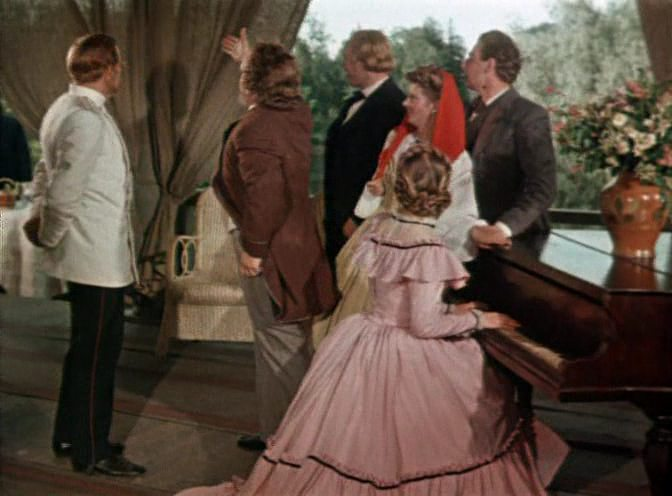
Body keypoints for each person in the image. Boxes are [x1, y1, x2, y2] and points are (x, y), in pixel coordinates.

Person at [176, 143, 568, 496]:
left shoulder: (382, 229)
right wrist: (482, 321)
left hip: (362, 337)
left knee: (353, 437)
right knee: (474, 392)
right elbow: (424, 326)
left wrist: (455, 311)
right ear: (444, 194)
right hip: (405, 346)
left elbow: (404, 304)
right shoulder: (427, 247)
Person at [22, 34, 145, 476]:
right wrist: (48, 232)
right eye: (119, 66)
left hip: (93, 255)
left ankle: (70, 433)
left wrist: (39, 219)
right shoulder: (85, 119)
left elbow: (44, 170)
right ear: (109, 68)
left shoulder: (65, 107)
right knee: (98, 357)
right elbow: (64, 188)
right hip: (95, 259)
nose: (120, 73)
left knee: (83, 350)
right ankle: (92, 451)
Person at [214, 40, 338, 452]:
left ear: (251, 86)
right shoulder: (296, 114)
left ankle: (293, 441)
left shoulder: (255, 129)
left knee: (279, 344)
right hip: (298, 245)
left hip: (272, 251)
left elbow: (266, 197)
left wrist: (253, 249)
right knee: (284, 343)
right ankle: (278, 431)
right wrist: (249, 64)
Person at [314, 65, 485, 342]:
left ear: (434, 107)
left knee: (397, 327)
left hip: (413, 256)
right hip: (376, 242)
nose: (405, 103)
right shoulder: (398, 139)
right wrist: (378, 191)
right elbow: (380, 187)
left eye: (413, 98)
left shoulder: (456, 160)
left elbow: (459, 215)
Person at [464, 30, 557, 248]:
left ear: (489, 65)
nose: (464, 64)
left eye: (471, 57)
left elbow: (543, 187)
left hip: (516, 244)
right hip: (468, 239)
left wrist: (502, 229)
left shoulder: (528, 115)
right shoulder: (468, 110)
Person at [323, 29, 405, 271]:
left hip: (360, 226)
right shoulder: (355, 101)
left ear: (366, 61)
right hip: (339, 219)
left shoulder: (394, 105)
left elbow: (387, 171)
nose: (344, 66)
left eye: (348, 60)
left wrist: (359, 220)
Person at [0, 100, 32, 182]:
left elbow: (23, 155)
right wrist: (26, 180)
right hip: (11, 181)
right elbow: (24, 156)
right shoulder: (13, 124)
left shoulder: (13, 125)